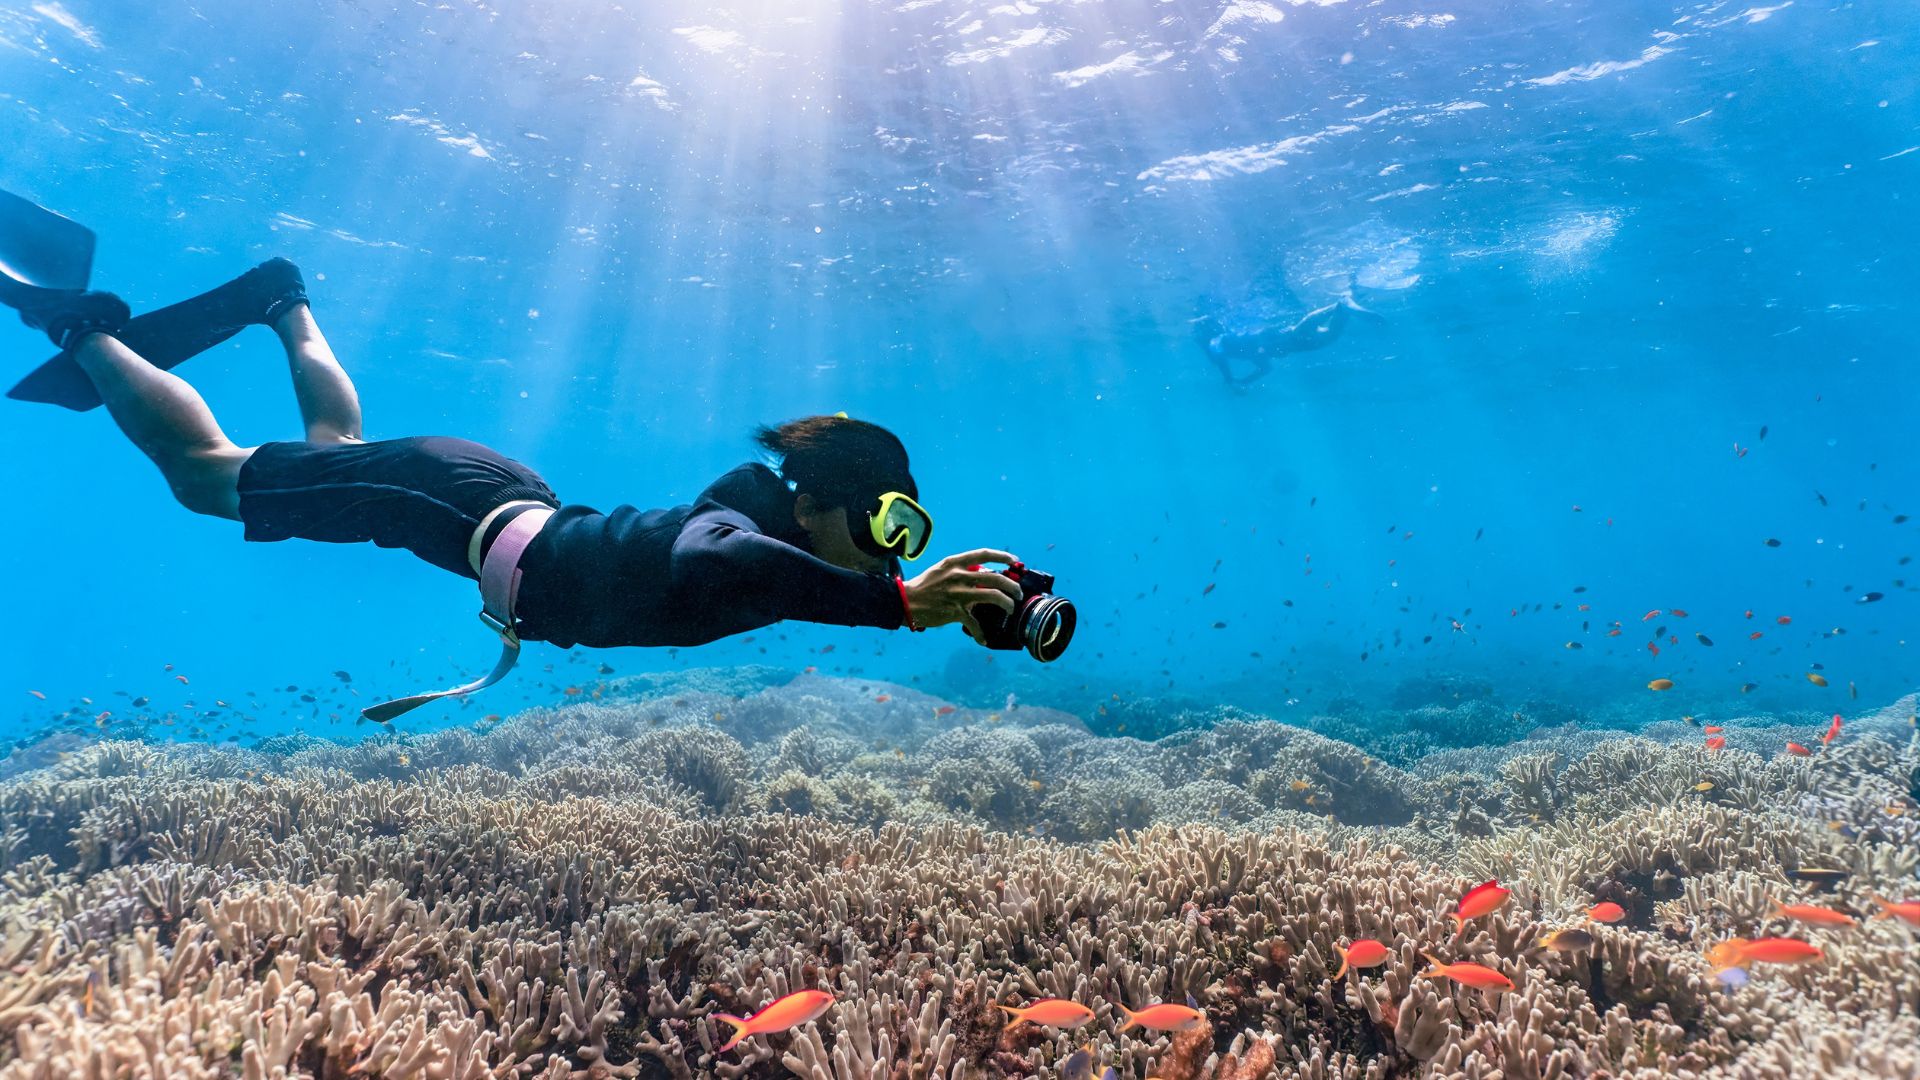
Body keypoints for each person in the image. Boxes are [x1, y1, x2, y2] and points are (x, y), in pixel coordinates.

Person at [4, 253, 1025, 719]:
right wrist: (895, 603)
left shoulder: (783, 539)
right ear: (815, 500)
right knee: (205, 480)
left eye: (911, 530)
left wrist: (935, 597)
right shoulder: (741, 528)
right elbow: (704, 556)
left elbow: (758, 574)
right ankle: (82, 327)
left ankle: (283, 302)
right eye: (890, 520)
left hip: (479, 500)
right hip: (455, 501)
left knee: (338, 448)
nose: (898, 545)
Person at [1195, 292, 1382, 389]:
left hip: (1295, 343)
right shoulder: (1245, 348)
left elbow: (1220, 355)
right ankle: (1343, 304)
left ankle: (1342, 305)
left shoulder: (1221, 341)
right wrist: (1243, 381)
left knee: (1323, 334)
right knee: (1317, 330)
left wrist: (1233, 381)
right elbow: (1265, 367)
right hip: (1292, 340)